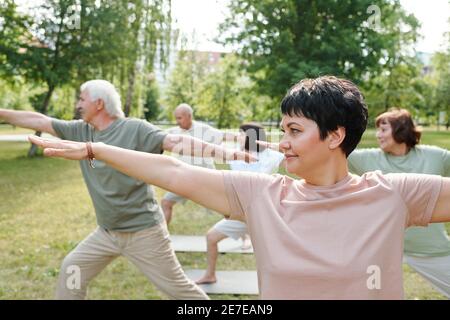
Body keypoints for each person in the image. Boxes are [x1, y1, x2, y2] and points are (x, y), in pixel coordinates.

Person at [28, 75, 450, 300]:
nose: (281, 142)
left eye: (294, 130)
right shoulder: (262, 195)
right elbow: (173, 172)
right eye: (282, 129)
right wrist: (93, 148)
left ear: (335, 136)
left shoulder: (394, 193)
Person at [0, 79, 251, 300]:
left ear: (99, 103)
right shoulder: (80, 131)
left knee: (179, 291)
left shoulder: (134, 129)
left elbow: (176, 141)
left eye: (82, 99)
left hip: (143, 233)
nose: (78, 104)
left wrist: (226, 153)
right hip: (107, 233)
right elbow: (40, 121)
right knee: (71, 269)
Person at [348, 108, 450, 298]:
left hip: (429, 249)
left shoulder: (435, 156)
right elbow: (325, 153)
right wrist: (278, 148)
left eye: (383, 129)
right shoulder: (368, 158)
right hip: (382, 250)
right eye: (377, 130)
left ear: (401, 129)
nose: (378, 135)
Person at [196, 122, 284, 285]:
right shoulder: (236, 156)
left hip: (264, 215)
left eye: (242, 134)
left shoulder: (271, 156)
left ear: (252, 137)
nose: (238, 137)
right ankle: (210, 275)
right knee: (211, 237)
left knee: (269, 255)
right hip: (242, 214)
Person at [162, 103, 237, 225]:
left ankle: (244, 233)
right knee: (166, 202)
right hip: (183, 178)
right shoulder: (174, 132)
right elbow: (155, 135)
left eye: (180, 118)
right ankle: (162, 237)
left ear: (189, 116)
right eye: (176, 118)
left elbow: (223, 135)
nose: (177, 121)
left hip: (205, 178)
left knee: (225, 208)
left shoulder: (203, 130)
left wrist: (247, 138)